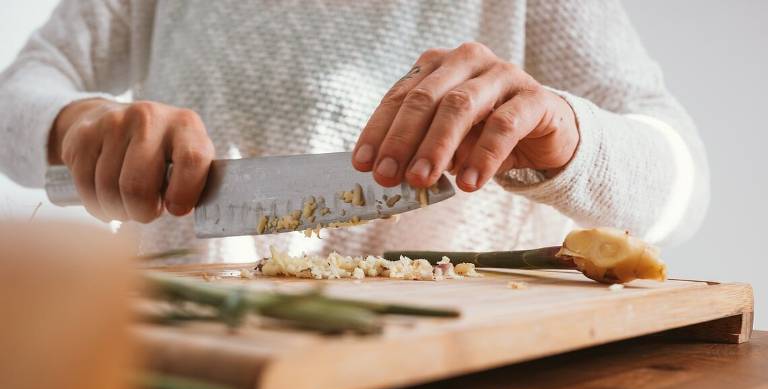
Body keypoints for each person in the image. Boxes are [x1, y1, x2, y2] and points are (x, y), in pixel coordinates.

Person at [0, 0, 708, 263]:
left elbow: (684, 186)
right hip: (181, 369)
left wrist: (574, 140)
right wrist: (74, 124)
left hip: (449, 388)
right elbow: (16, 100)